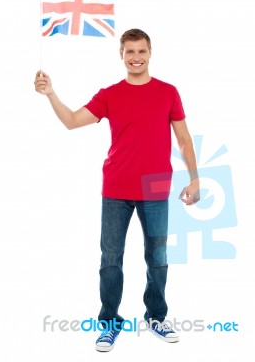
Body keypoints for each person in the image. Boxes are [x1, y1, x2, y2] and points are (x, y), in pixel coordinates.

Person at [34, 28, 200, 352]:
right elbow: (71, 121)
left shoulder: (168, 92)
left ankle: (155, 317)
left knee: (158, 258)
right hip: (116, 188)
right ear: (121, 55)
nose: (136, 57)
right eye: (129, 52)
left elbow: (184, 139)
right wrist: (51, 93)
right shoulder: (110, 94)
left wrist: (195, 179)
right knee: (110, 259)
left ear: (150, 53)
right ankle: (109, 323)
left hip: (155, 188)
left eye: (141, 51)